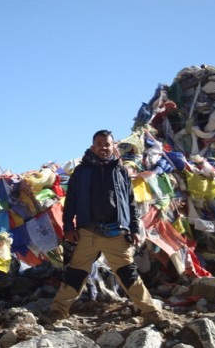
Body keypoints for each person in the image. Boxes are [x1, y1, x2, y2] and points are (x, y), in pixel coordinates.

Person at [41, 129, 169, 328]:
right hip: (88, 232)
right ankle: (57, 311)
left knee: (129, 274)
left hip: (117, 233)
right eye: (99, 144)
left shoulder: (120, 171)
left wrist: (134, 228)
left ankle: (151, 312)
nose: (103, 147)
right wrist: (68, 228)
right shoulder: (81, 172)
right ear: (93, 146)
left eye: (107, 144)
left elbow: (130, 203)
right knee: (76, 273)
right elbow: (71, 202)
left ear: (112, 146)